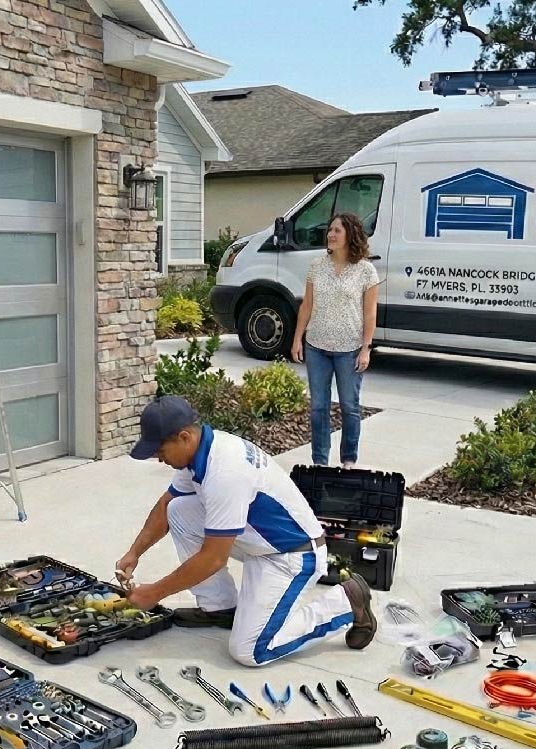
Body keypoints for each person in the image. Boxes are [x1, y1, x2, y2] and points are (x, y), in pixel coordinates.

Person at [117, 396, 377, 667]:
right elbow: (166, 504)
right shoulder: (200, 451)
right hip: (260, 541)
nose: (159, 459)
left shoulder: (225, 472)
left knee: (251, 651)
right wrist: (134, 553)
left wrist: (154, 593)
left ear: (184, 437)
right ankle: (221, 608)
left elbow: (213, 558)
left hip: (292, 556)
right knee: (179, 510)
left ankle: (344, 602)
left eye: (160, 451)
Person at [291, 212, 381, 468]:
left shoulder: (366, 271)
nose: (330, 234)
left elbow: (370, 313)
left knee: (349, 407)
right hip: (317, 346)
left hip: (349, 349)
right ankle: (319, 462)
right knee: (319, 407)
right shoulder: (317, 266)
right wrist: (298, 339)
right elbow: (307, 305)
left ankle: (348, 460)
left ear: (350, 234)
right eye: (330, 230)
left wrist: (366, 348)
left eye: (337, 230)